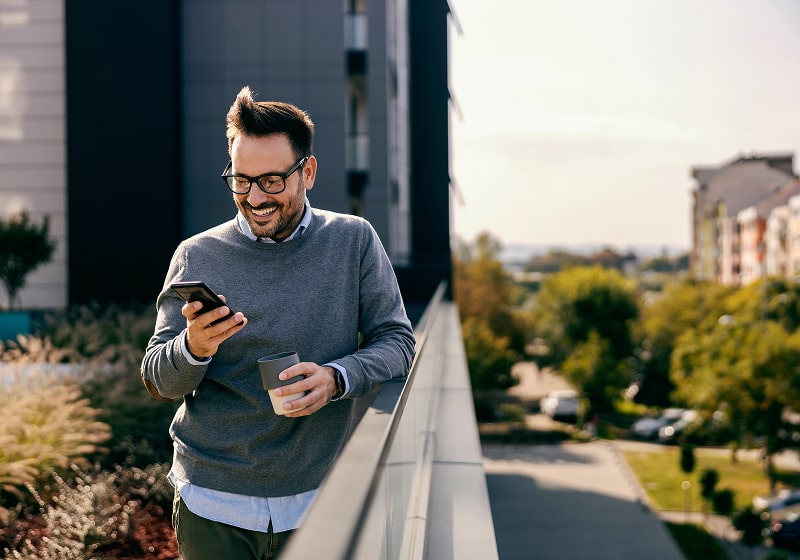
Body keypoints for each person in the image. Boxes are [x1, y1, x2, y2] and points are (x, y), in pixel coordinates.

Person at [140, 86, 416, 560]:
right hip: (212, 502)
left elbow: (398, 342)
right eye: (241, 181)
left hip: (320, 499)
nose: (254, 198)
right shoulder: (197, 254)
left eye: (271, 181)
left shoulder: (353, 241)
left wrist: (337, 378)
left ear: (307, 171)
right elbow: (157, 379)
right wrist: (193, 347)